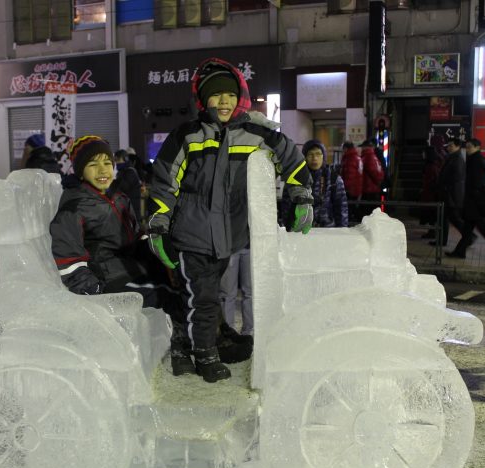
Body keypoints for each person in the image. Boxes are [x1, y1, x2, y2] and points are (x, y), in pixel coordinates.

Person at [148, 57, 311, 383]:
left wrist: (301, 197)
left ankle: (200, 337)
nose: (224, 101)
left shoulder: (253, 133)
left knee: (206, 294)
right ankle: (204, 355)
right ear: (202, 99)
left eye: (230, 95)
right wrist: (158, 224)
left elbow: (291, 158)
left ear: (241, 97)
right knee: (204, 296)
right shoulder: (189, 136)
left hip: (230, 233)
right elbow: (165, 180)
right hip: (191, 233)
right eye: (216, 95)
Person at [49, 135, 183, 361]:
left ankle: (180, 346)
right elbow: (70, 263)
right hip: (109, 281)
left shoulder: (119, 198)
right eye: (93, 164)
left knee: (183, 292)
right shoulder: (73, 208)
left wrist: (158, 253)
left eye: (107, 163)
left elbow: (135, 238)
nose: (102, 170)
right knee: (166, 300)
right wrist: (98, 295)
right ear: (80, 172)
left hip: (132, 270)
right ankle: (180, 350)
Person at [446, 138, 485, 260]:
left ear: (477, 147)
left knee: (483, 228)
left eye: (470, 147)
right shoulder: (477, 159)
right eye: (467, 147)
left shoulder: (477, 161)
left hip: (475, 201)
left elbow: (476, 183)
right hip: (474, 201)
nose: (467, 149)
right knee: (469, 228)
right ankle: (460, 251)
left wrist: (470, 197)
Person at [281, 139, 347, 228]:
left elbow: (341, 209)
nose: (314, 158)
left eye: (318, 154)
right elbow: (286, 208)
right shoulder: (295, 179)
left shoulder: (333, 179)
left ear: (323, 156)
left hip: (327, 232)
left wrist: (342, 232)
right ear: (304, 157)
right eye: (310, 154)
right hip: (301, 232)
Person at [433, 138, 466, 246]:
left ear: (458, 147)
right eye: (448, 145)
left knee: (453, 218)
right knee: (445, 218)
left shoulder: (457, 159)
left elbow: (457, 177)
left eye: (451, 146)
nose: (448, 147)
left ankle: (469, 235)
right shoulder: (452, 157)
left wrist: (446, 186)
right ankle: (442, 240)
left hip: (451, 194)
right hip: (447, 193)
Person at [419, 146, 443, 239]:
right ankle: (432, 231)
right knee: (431, 214)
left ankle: (432, 232)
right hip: (430, 193)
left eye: (424, 153)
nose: (423, 154)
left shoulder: (431, 166)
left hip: (430, 194)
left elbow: (431, 181)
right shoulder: (434, 164)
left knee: (431, 214)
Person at [114, 149, 142, 221]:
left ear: (125, 159)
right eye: (115, 160)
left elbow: (123, 187)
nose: (116, 163)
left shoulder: (130, 172)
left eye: (118, 160)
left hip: (133, 208)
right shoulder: (122, 172)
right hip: (126, 208)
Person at [359, 140, 385, 211]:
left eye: (363, 147)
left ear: (366, 147)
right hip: (373, 188)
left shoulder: (368, 157)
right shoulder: (373, 156)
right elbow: (380, 170)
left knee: (367, 211)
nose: (361, 149)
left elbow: (373, 171)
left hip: (369, 188)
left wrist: (378, 181)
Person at [340, 141, 362, 221]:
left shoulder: (350, 158)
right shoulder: (356, 157)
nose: (342, 151)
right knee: (353, 207)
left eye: (343, 149)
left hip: (351, 189)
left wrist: (344, 188)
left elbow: (350, 176)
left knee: (350, 208)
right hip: (356, 187)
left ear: (346, 148)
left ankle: (351, 224)